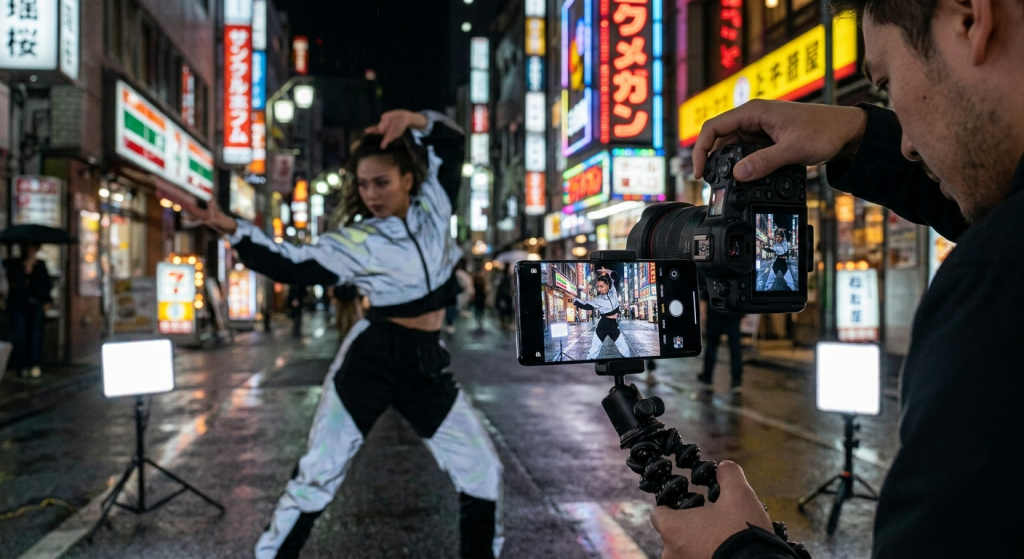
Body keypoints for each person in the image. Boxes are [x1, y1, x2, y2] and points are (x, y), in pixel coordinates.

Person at [650, 1, 1024, 557]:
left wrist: (736, 552)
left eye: (886, 85)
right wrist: (857, 134)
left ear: (971, 18)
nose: (907, 145)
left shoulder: (996, 286)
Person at [201, 109, 503, 559]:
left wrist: (414, 120)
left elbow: (452, 142)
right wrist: (235, 230)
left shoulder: (436, 204)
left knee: (482, 471)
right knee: (318, 475)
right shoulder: (355, 240)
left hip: (426, 363)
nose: (371, 194)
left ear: (406, 177)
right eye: (363, 185)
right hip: (371, 359)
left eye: (381, 182)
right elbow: (290, 264)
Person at [4, 242, 52, 378]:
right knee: (19, 334)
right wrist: (24, 271)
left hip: (35, 304)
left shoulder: (41, 265)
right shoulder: (15, 265)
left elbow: (45, 284)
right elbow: (12, 284)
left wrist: (46, 300)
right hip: (19, 305)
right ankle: (21, 365)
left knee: (34, 334)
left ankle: (34, 364)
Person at [571, 269, 631, 359]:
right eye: (598, 287)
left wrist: (610, 272)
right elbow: (586, 305)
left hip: (614, 326)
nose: (599, 289)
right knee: (593, 351)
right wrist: (576, 301)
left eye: (601, 286)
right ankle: (588, 366)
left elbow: (616, 278)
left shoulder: (613, 291)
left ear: (608, 285)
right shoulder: (597, 300)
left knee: (625, 350)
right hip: (603, 325)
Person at [693, 299, 746, 399]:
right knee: (735, 349)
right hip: (733, 311)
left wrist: (703, 314)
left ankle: (707, 378)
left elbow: (705, 295)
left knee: (712, 347)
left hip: (715, 312)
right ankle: (736, 381)